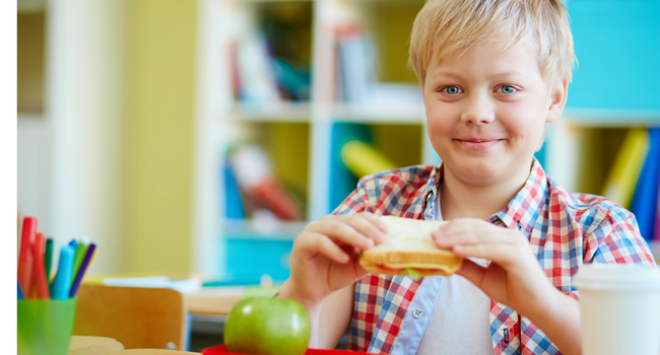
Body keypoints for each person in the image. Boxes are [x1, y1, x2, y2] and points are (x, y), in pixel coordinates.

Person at [277, 1, 656, 354]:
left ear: (554, 99)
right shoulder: (375, 203)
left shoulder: (601, 232)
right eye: (451, 89)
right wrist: (305, 293)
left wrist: (542, 302)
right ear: (424, 95)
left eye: (506, 88)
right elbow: (299, 342)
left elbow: (640, 343)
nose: (477, 113)